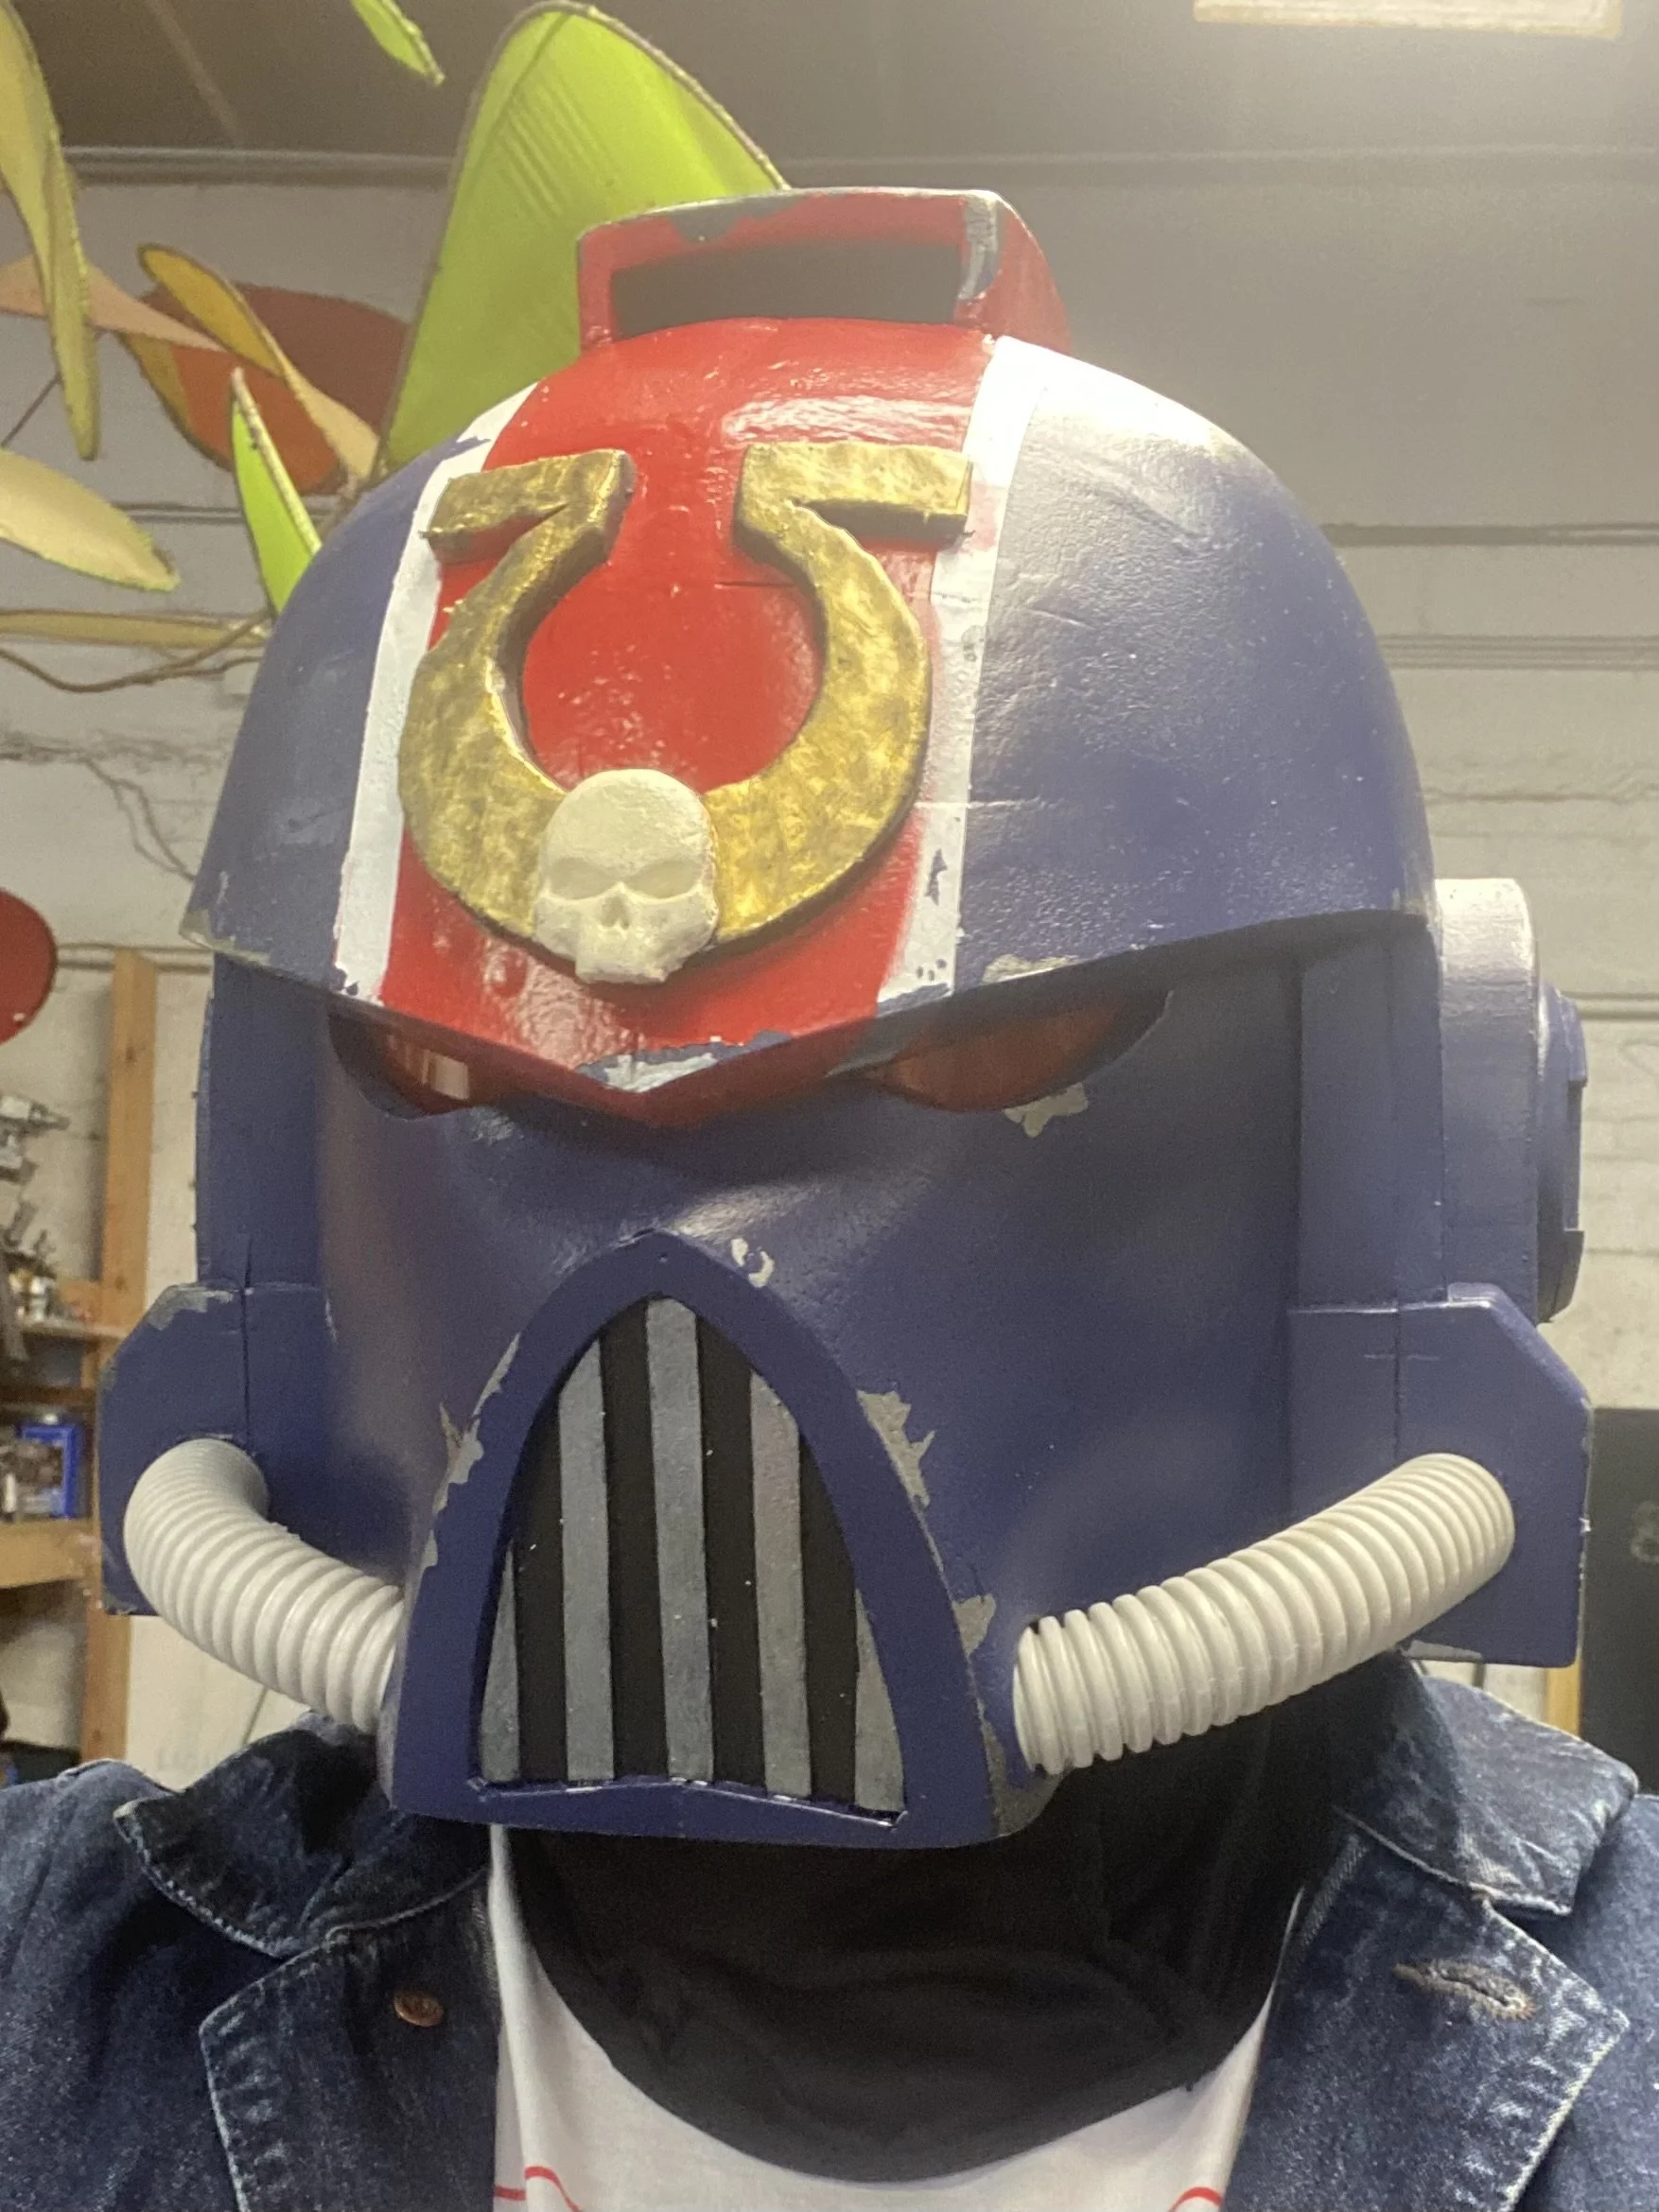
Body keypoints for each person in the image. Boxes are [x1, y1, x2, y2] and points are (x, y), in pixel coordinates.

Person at [5, 184, 1652, 2212]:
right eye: (456, 1068)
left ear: (1407, 1137)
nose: (684, 1276)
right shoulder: (58, 1996)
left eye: (978, 1050)